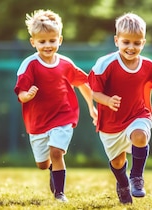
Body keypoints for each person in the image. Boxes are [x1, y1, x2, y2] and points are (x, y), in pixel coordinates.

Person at [88, 12, 152, 204]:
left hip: (138, 114)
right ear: (116, 40)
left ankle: (136, 177)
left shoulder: (148, 66)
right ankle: (122, 183)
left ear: (143, 43)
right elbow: (94, 92)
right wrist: (107, 100)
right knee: (117, 161)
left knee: (140, 136)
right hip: (110, 124)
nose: (131, 47)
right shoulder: (105, 64)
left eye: (136, 43)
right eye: (126, 42)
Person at [13, 9, 97, 203]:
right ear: (33, 42)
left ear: (60, 40)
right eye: (42, 42)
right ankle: (52, 169)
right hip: (38, 121)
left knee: (56, 152)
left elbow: (83, 84)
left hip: (63, 116)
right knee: (43, 164)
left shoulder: (66, 64)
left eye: (52, 40)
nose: (47, 45)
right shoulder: (29, 64)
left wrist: (91, 107)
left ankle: (60, 193)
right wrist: (28, 95)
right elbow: (21, 92)